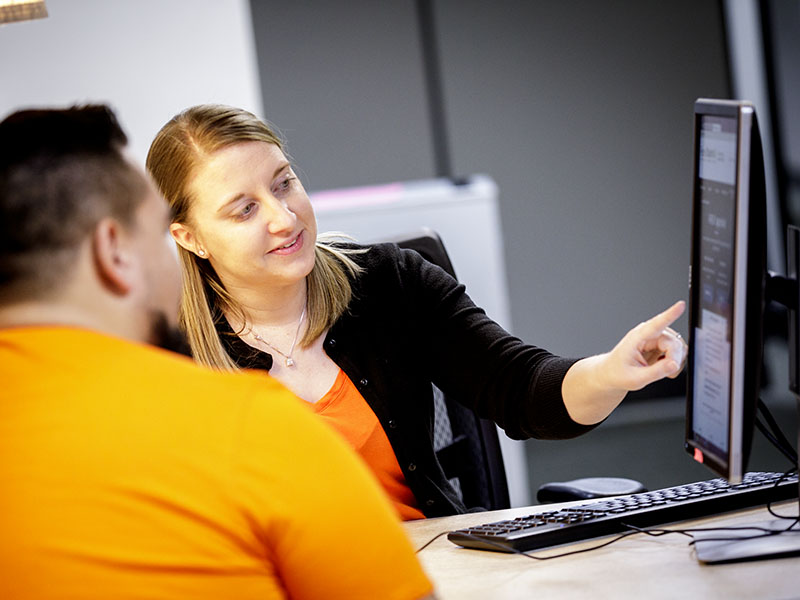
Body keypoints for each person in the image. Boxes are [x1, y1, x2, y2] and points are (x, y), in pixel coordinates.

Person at [146, 104, 688, 520]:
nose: (285, 218)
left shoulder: (389, 284)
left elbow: (522, 389)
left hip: (429, 574)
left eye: (284, 183)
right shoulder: (167, 357)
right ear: (189, 238)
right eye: (245, 210)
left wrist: (612, 371)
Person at [0, 105, 434, 600]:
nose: (282, 218)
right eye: (154, 233)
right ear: (114, 252)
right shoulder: (248, 424)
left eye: (284, 183)